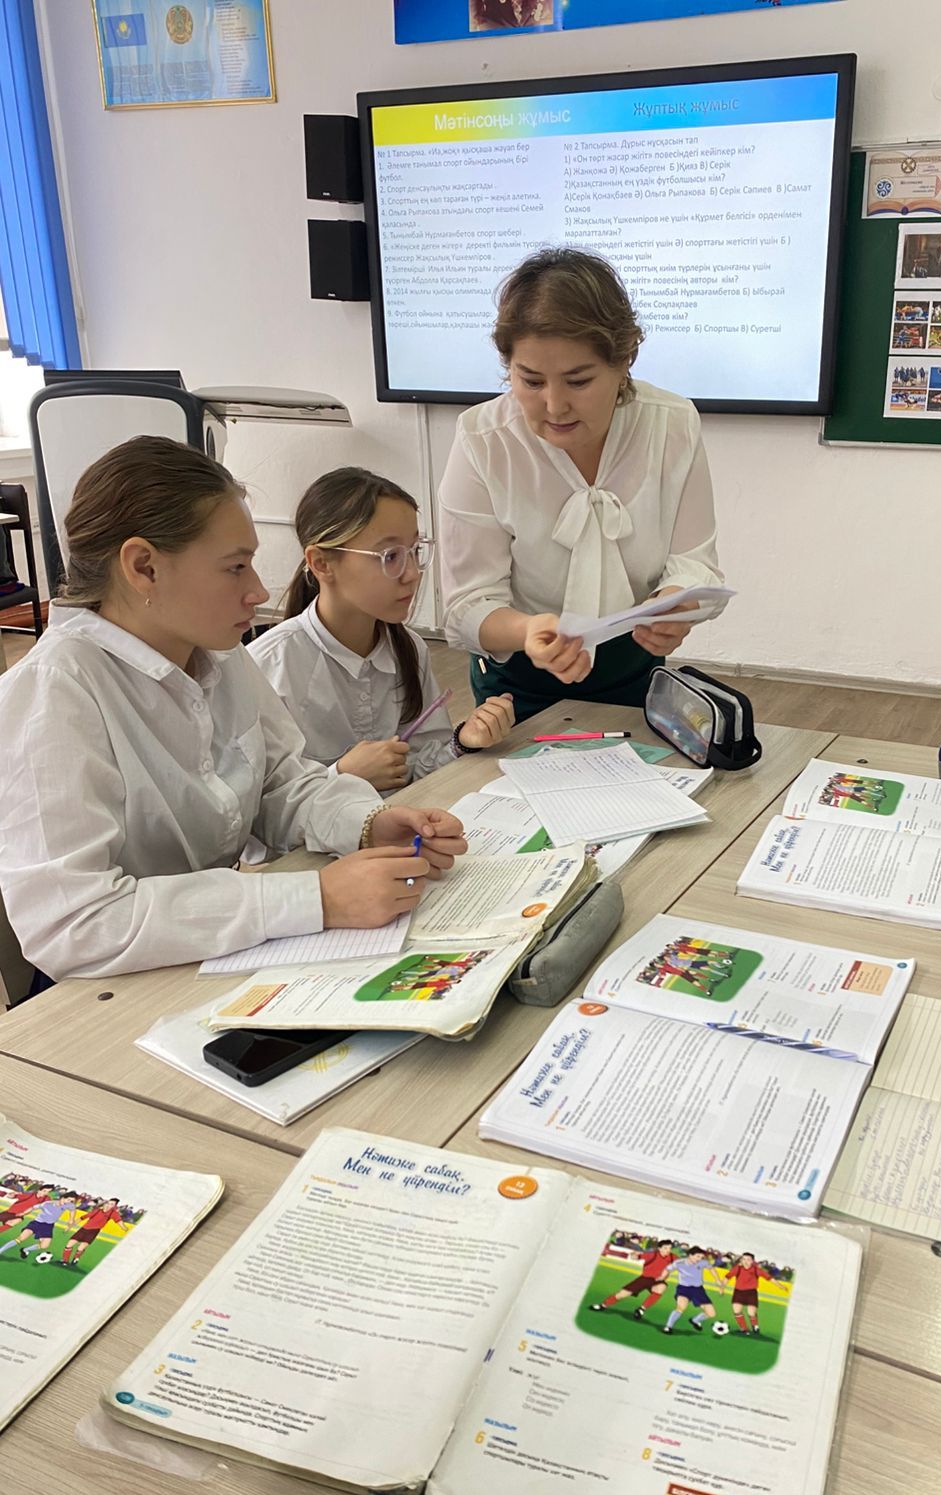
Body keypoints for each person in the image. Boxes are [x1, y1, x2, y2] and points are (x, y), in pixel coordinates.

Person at [0, 437, 467, 982]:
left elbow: (281, 783)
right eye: (235, 567)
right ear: (144, 567)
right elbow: (75, 923)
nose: (258, 590)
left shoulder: (218, 655)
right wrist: (313, 898)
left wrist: (366, 824)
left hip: (211, 953)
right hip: (110, 990)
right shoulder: (54, 693)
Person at [438, 248, 727, 723]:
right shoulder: (483, 439)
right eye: (531, 381)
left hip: (638, 672)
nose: (555, 406)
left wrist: (676, 605)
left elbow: (695, 561)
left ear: (624, 360)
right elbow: (466, 605)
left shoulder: (670, 424)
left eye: (578, 381)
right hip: (515, 686)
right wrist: (529, 631)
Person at [249, 467, 514, 791]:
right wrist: (341, 776)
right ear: (321, 563)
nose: (412, 574)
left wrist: (463, 741)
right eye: (390, 556)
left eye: (415, 551)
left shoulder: (408, 649)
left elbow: (418, 766)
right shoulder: (269, 666)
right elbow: (260, 805)